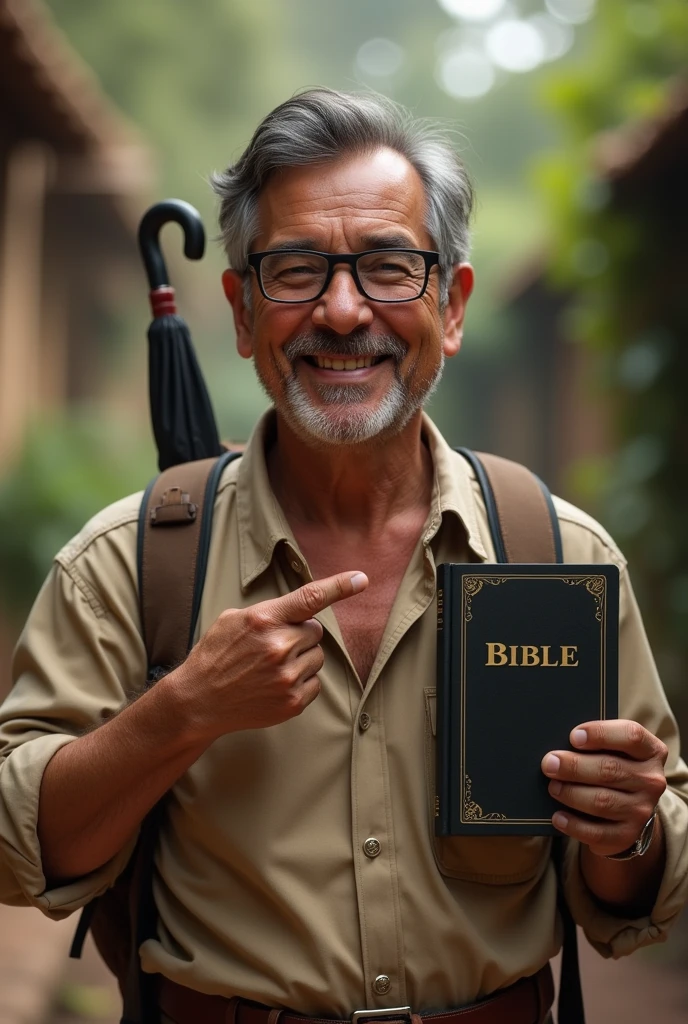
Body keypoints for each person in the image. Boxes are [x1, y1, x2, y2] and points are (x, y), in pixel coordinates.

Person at [0, 89, 686, 1024]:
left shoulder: (558, 555)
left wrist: (628, 826)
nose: (341, 308)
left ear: (451, 306)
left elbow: (644, 885)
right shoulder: (129, 564)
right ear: (242, 313)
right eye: (294, 270)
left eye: (390, 266)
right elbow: (13, 850)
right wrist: (182, 712)